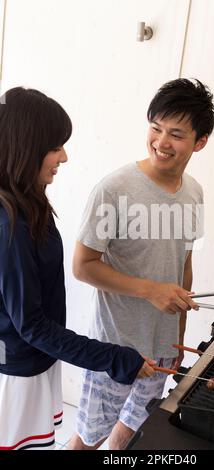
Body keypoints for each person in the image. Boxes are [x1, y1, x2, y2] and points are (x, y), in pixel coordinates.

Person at [0, 87, 155, 451]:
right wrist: (115, 358)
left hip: (34, 360)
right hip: (16, 369)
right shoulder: (9, 226)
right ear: (25, 147)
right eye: (55, 147)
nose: (64, 156)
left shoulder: (29, 201)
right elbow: (31, 325)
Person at [68, 78, 214, 450]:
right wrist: (150, 291)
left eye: (176, 134)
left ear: (200, 142)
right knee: (90, 436)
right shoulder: (114, 189)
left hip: (163, 344)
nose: (161, 142)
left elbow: (184, 264)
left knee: (130, 428)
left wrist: (178, 337)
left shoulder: (194, 192)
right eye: (155, 128)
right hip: (116, 345)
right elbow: (83, 266)